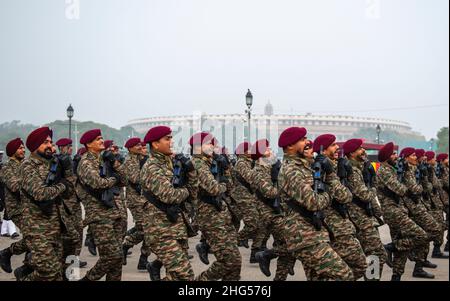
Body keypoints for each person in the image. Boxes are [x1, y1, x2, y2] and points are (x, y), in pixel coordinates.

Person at [277, 127, 353, 281]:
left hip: (313, 232)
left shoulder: (304, 167)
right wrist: (329, 191)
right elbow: (314, 202)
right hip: (305, 237)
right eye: (302, 140)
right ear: (290, 146)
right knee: (345, 275)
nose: (307, 142)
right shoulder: (291, 170)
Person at [140, 126, 196, 281]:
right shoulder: (152, 167)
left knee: (175, 276)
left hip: (177, 226)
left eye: (171, 138)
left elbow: (194, 194)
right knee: (185, 275)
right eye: (167, 139)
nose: (171, 142)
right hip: (160, 230)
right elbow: (170, 195)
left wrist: (190, 172)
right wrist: (185, 191)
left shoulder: (170, 164)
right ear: (155, 144)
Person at [20, 127, 73, 281]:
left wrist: (67, 171)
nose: (51, 145)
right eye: (45, 142)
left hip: (56, 225)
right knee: (48, 272)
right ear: (35, 147)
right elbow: (41, 193)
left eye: (51, 142)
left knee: (56, 274)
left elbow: (70, 192)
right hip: (37, 229)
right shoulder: (28, 166)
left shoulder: (53, 165)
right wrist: (62, 185)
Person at [312, 134, 367, 280]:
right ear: (323, 150)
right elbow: (345, 196)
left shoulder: (337, 165)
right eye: (333, 145)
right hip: (332, 226)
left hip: (340, 224)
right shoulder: (320, 168)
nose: (337, 147)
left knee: (353, 267)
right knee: (354, 267)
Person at [76, 129, 126, 281]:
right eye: (98, 139)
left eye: (101, 138)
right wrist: (114, 179)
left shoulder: (105, 160)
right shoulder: (85, 162)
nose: (101, 141)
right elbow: (98, 183)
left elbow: (124, 180)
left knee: (117, 259)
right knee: (111, 256)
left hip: (116, 212)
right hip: (99, 215)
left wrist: (114, 163)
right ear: (89, 144)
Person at [376, 143, 429, 281]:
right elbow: (402, 190)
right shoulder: (384, 171)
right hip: (392, 211)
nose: (395, 156)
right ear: (386, 157)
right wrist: (405, 174)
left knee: (402, 248)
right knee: (421, 235)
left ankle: (396, 276)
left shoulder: (392, 169)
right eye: (393, 154)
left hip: (399, 209)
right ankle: (390, 247)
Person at [343, 138, 387, 280]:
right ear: (351, 153)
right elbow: (365, 195)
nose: (364, 151)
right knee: (376, 255)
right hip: (360, 218)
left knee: (371, 255)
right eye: (360, 149)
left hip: (363, 216)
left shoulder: (359, 167)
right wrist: (373, 187)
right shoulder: (352, 170)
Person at [121, 137, 151, 270]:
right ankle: (126, 245)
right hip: (136, 200)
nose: (140, 147)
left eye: (141, 145)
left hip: (144, 199)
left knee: (148, 229)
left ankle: (143, 259)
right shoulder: (130, 161)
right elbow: (135, 180)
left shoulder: (140, 159)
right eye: (137, 145)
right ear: (130, 148)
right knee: (145, 229)